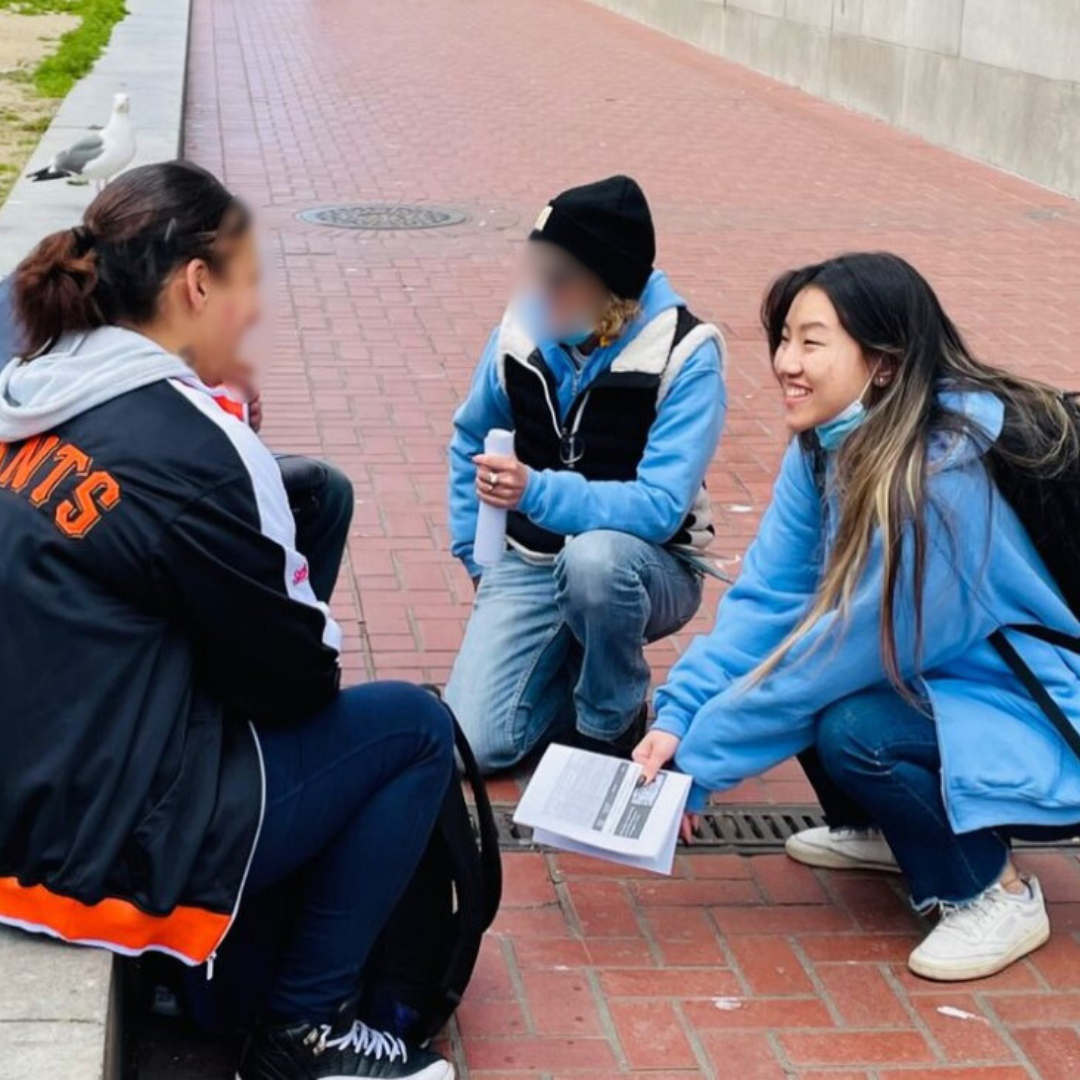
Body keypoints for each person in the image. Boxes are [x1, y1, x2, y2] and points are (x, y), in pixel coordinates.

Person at [0, 161, 457, 1080]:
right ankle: (304, 1032)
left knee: (310, 495)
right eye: (245, 284)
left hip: (24, 788)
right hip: (93, 857)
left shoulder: (33, 382)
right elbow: (298, 683)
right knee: (414, 728)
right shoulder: (201, 446)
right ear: (195, 283)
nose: (251, 312)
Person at [634, 252, 1080, 982]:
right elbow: (770, 605)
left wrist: (700, 765)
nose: (785, 362)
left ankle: (991, 891)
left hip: (1048, 709)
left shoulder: (940, 478)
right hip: (957, 685)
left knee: (852, 726)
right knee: (807, 677)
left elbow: (845, 649)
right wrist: (677, 718)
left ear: (882, 363)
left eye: (812, 342)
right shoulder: (825, 445)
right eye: (783, 339)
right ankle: (889, 829)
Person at [446, 175, 726, 772]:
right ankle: (572, 667)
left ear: (611, 296)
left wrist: (538, 491)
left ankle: (610, 721)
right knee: (477, 745)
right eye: (534, 269)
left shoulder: (686, 355)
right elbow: (471, 438)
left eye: (557, 279)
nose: (535, 291)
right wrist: (477, 557)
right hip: (529, 558)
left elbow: (658, 506)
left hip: (645, 566)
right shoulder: (519, 332)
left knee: (595, 564)